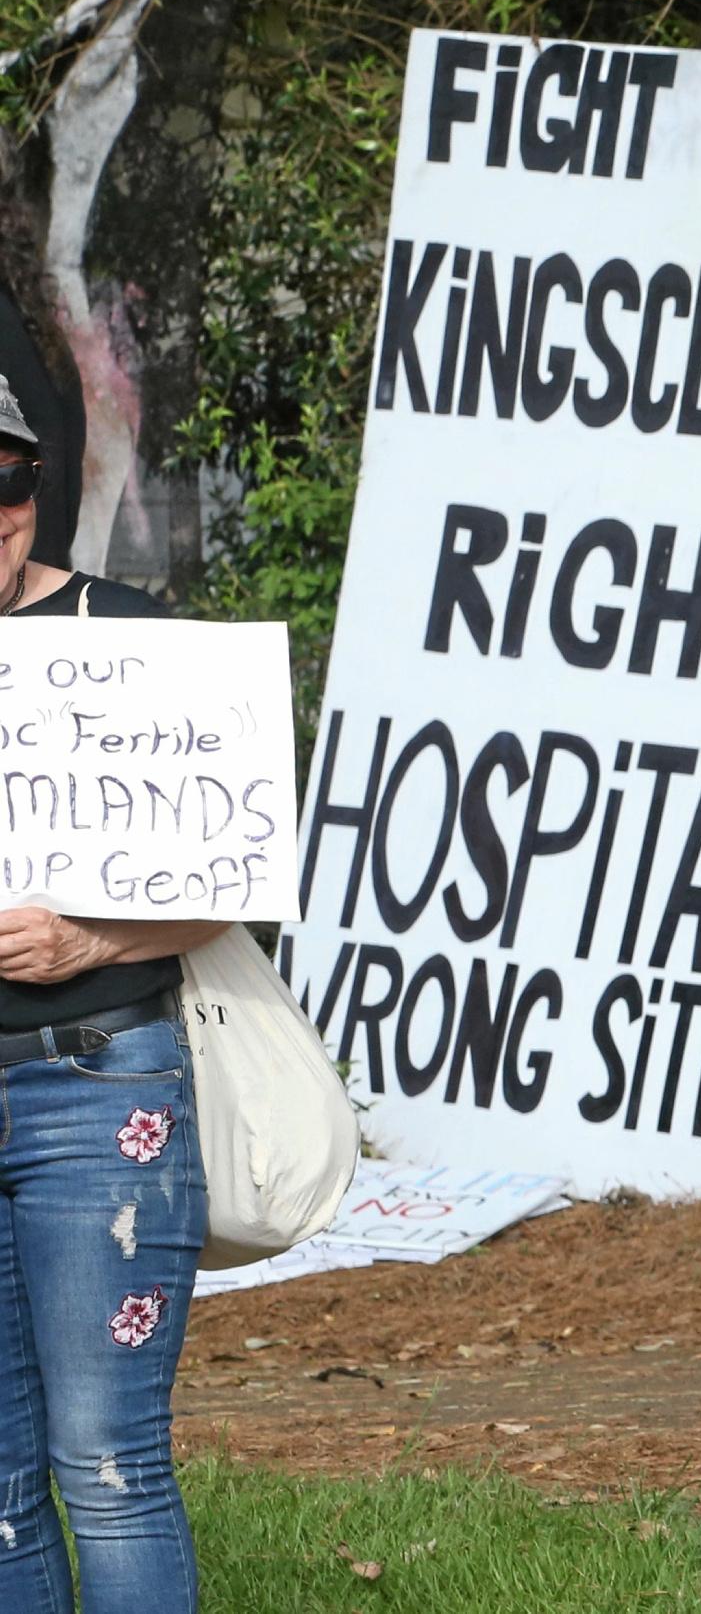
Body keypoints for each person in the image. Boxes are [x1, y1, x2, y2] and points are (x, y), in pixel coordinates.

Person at [0, 371, 226, 1612]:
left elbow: (234, 876)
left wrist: (86, 940)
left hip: (99, 1087)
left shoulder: (133, 639)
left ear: (37, 486)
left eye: (8, 481)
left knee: (108, 1465)